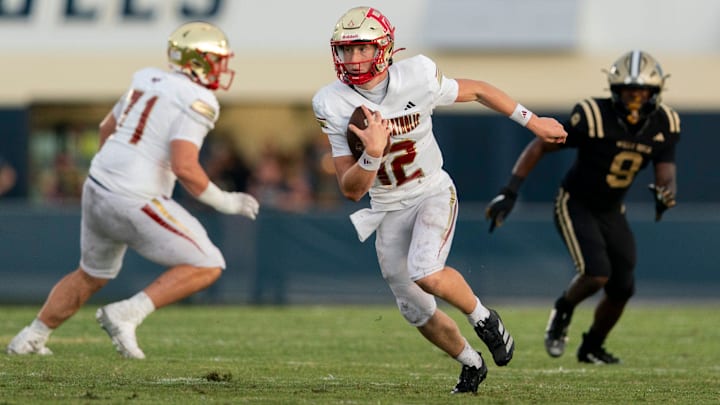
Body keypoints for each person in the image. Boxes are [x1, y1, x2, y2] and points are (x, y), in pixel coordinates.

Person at [312, 6, 567, 394]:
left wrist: (533, 122)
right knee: (414, 308)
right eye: (345, 50)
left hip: (431, 190)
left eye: (361, 48)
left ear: (383, 48)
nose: (352, 59)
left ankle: (484, 318)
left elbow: (479, 89)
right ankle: (471, 362)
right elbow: (351, 189)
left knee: (426, 270)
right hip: (387, 206)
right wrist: (372, 154)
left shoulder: (417, 75)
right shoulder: (331, 102)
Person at [6, 21, 259, 359]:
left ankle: (30, 337)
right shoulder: (199, 98)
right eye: (217, 59)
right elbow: (185, 166)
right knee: (208, 263)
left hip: (97, 186)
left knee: (91, 274)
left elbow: (106, 128)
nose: (223, 68)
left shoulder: (146, 78)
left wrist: (112, 171)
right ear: (196, 60)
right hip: (133, 196)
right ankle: (126, 313)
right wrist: (227, 201)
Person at [485, 50, 680, 364]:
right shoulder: (592, 115)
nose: (634, 100)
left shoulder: (665, 123)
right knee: (596, 273)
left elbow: (666, 172)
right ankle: (563, 310)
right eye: (628, 92)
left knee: (623, 287)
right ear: (615, 91)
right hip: (576, 202)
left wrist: (665, 193)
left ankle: (592, 346)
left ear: (654, 94)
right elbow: (541, 145)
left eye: (641, 92)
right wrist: (510, 190)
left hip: (613, 209)